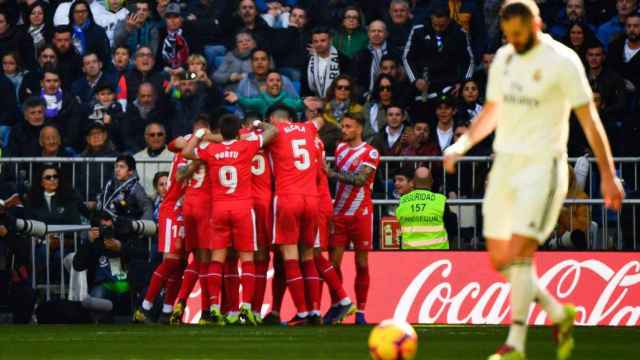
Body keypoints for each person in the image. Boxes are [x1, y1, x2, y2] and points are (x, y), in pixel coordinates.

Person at [443, 2, 624, 359]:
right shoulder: (505, 59)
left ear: (538, 24)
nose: (515, 42)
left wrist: (607, 174)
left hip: (543, 168)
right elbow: (493, 109)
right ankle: (559, 313)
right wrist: (463, 143)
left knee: (520, 252)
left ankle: (515, 343)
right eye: (509, 36)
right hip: (505, 166)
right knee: (499, 258)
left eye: (520, 35)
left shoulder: (564, 61)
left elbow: (589, 120)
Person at [181, 114, 278, 325]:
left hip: (219, 209)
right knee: (247, 259)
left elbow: (187, 152)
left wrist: (198, 135)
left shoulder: (212, 150)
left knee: (217, 258)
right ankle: (246, 308)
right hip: (242, 208)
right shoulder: (247, 146)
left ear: (219, 132)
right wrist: (258, 125)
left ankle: (214, 307)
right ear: (238, 131)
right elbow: (274, 132)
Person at [266, 103, 323, 325]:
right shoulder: (308, 128)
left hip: (288, 197)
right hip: (311, 199)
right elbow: (320, 121)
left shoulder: (274, 132)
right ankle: (315, 310)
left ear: (274, 120)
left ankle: (301, 313)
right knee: (307, 257)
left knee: (290, 256)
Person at [326, 111, 379, 325]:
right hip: (339, 213)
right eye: (342, 126)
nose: (344, 130)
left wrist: (332, 175)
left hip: (361, 214)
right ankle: (338, 305)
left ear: (358, 128)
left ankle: (361, 312)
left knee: (361, 262)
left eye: (348, 126)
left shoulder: (371, 153)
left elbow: (360, 180)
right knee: (334, 263)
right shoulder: (339, 148)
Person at [134, 151, 197, 324]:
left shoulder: (198, 151)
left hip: (186, 212)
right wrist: (199, 160)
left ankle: (167, 311)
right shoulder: (187, 154)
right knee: (170, 262)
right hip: (172, 212)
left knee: (180, 265)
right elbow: (180, 173)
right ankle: (144, 308)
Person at [403, 4, 473, 98]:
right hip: (424, 84)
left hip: (450, 84)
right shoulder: (418, 31)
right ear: (431, 18)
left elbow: (469, 60)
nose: (438, 29)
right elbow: (407, 58)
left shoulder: (459, 33)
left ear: (449, 20)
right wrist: (415, 79)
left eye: (442, 26)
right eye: (435, 25)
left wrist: (463, 83)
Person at [396, 166, 452, 250]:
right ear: (432, 182)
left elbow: (399, 227)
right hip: (438, 254)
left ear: (413, 182)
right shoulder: (440, 200)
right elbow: (451, 227)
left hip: (409, 254)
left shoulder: (403, 201)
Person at [225, 71, 312, 116]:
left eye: (278, 80)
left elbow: (298, 104)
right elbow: (247, 102)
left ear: (282, 84)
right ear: (265, 85)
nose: (275, 83)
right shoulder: (260, 101)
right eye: (271, 80)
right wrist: (237, 98)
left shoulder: (288, 101)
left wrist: (305, 102)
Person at [39, 66, 84, 151]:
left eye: (55, 81)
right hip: (40, 146)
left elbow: (74, 129)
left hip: (65, 147)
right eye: (48, 81)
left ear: (60, 83)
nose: (52, 84)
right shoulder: (34, 101)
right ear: (42, 83)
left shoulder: (71, 101)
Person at [351, 20, 399, 98]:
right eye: (373, 31)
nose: (376, 34)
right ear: (368, 34)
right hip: (365, 98)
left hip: (392, 96)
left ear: (386, 34)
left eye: (380, 31)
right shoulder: (359, 56)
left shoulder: (395, 53)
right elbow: (354, 81)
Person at [302, 26, 351, 98]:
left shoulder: (343, 59)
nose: (319, 44)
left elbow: (348, 85)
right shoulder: (308, 61)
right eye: (316, 41)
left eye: (323, 40)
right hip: (315, 100)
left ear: (330, 41)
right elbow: (305, 87)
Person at [121, 82, 167, 153]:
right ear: (138, 96)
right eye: (143, 96)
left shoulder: (162, 110)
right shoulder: (130, 111)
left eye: (149, 96)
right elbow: (127, 135)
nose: (146, 99)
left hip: (159, 149)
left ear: (155, 96)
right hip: (135, 150)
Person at [552, 165, 591, 250]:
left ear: (571, 178)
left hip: (569, 239)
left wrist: (564, 213)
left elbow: (581, 228)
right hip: (547, 237)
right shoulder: (546, 196)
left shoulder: (581, 197)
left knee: (576, 236)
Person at [134, 123, 174, 198]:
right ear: (146, 137)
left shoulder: (174, 156)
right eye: (152, 135)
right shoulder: (136, 158)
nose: (156, 137)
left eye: (160, 134)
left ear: (165, 136)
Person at [67, 0, 111, 65]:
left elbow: (105, 56)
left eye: (83, 11)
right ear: (72, 14)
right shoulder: (67, 31)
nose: (80, 14)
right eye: (77, 12)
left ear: (88, 13)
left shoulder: (99, 31)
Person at [606, 13, 640, 94]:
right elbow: (609, 70)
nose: (632, 29)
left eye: (636, 26)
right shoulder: (614, 46)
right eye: (629, 26)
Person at [51, 25, 83, 91]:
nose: (63, 44)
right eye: (59, 40)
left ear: (71, 40)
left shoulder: (78, 60)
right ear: (54, 41)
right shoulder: (47, 56)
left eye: (66, 40)